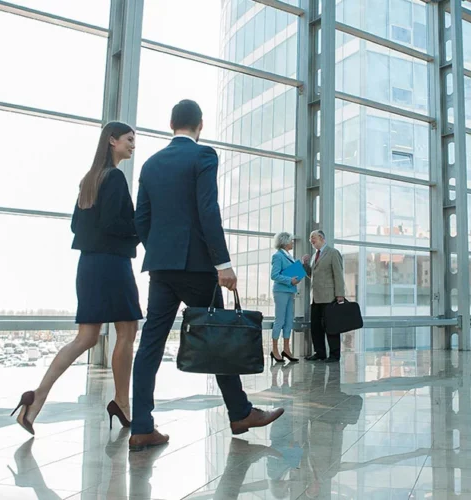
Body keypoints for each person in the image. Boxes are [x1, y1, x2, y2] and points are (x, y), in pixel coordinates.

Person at [129, 99, 283, 451]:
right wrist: (222, 263)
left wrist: (161, 250)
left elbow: (141, 219)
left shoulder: (151, 164)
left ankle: (141, 426)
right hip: (198, 266)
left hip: (161, 266)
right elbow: (207, 209)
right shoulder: (203, 156)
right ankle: (240, 412)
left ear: (171, 124)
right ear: (200, 125)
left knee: (150, 344)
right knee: (217, 335)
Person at [12, 122, 142, 435]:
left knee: (86, 337)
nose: (133, 145)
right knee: (127, 331)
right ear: (112, 140)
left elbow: (75, 227)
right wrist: (142, 226)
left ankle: (36, 397)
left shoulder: (89, 180)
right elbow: (113, 223)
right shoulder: (115, 178)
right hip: (112, 265)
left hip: (88, 266)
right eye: (129, 139)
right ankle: (122, 403)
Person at [301, 230, 346, 363]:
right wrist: (305, 265)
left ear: (321, 237)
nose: (311, 240)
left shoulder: (333, 253)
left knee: (331, 326)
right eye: (310, 239)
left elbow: (338, 274)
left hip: (329, 297)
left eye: (312, 238)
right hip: (315, 297)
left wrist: (340, 294)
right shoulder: (315, 255)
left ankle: (334, 355)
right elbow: (313, 276)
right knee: (316, 327)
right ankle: (320, 353)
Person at [270, 232, 301, 363]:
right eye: (291, 241)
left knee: (289, 320)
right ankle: (275, 350)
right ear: (285, 242)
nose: (293, 243)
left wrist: (296, 277)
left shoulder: (289, 256)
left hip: (290, 291)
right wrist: (290, 280)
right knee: (280, 320)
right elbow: (274, 275)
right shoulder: (278, 256)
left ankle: (287, 349)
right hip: (281, 291)